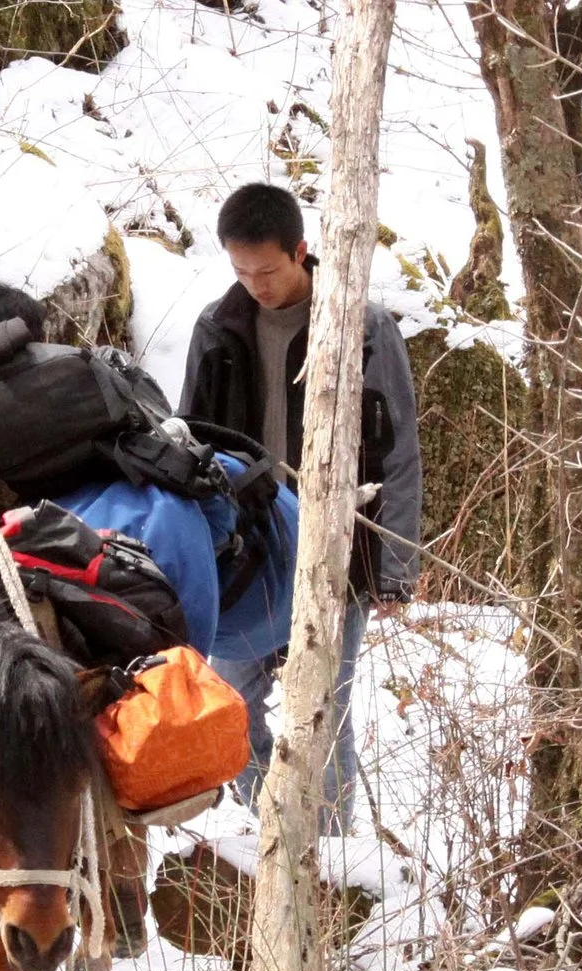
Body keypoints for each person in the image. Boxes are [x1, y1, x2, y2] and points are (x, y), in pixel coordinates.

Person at [175, 182, 421, 835]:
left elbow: (399, 453)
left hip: (336, 551)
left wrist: (393, 568)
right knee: (230, 706)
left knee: (323, 715)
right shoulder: (216, 329)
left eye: (268, 270)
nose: (255, 284)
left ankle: (336, 864)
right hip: (247, 554)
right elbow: (187, 448)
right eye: (240, 271)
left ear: (302, 252)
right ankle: (267, 839)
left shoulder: (364, 328)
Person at [0, 283, 296, 664]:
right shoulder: (105, 401)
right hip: (276, 570)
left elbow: (178, 681)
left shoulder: (131, 509)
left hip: (261, 601)